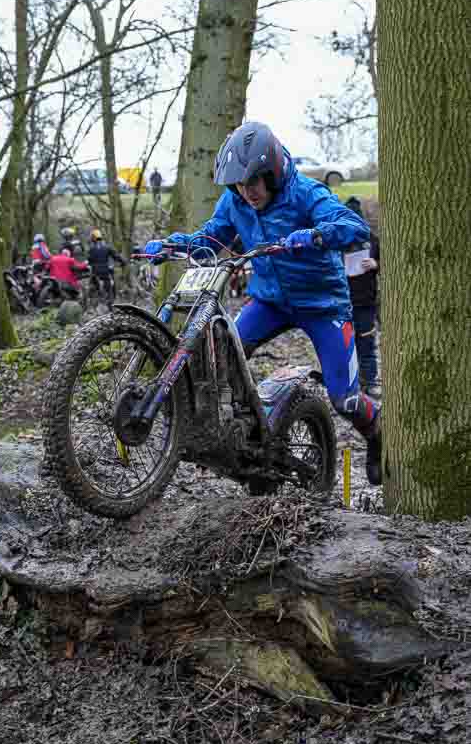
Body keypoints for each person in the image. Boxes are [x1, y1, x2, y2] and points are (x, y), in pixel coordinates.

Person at [145, 122, 382, 485]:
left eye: (253, 182)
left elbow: (352, 225)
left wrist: (318, 234)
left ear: (271, 173)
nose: (247, 192)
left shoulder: (306, 193)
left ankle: (377, 432)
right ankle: (247, 433)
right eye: (239, 185)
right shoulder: (236, 200)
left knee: (344, 399)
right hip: (270, 301)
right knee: (224, 351)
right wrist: (174, 245)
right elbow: (212, 236)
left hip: (323, 304)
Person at [344, 196, 380, 397]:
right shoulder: (337, 241)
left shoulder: (372, 239)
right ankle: (350, 385)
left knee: (366, 342)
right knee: (346, 346)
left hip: (366, 301)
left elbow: (385, 260)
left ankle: (370, 381)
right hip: (342, 303)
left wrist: (375, 264)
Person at [88, 229, 126, 303]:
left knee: (92, 284)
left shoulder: (91, 249)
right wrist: (123, 262)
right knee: (112, 285)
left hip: (95, 271)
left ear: (93, 238)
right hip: (106, 270)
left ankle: (95, 297)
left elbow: (89, 260)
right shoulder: (107, 247)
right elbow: (116, 256)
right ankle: (112, 297)